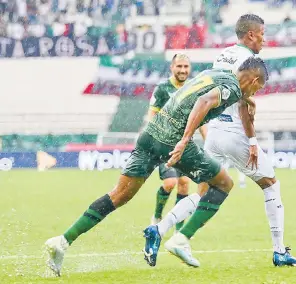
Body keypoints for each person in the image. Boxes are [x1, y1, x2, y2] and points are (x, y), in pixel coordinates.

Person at [44, 56, 268, 277]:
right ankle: (181, 239)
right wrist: (184, 139)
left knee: (119, 195)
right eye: (258, 88)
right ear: (254, 79)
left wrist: (247, 102)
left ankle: (62, 241)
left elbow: (204, 94)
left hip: (150, 134)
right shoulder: (233, 88)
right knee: (223, 184)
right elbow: (205, 102)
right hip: (173, 140)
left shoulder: (217, 74)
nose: (255, 93)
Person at [144, 14, 296, 268]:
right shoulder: (251, 62)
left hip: (214, 129)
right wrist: (251, 140)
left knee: (204, 190)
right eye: (262, 32)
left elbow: (214, 91)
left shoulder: (224, 55)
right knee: (271, 185)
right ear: (250, 34)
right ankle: (279, 251)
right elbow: (243, 102)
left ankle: (159, 230)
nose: (264, 37)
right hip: (234, 133)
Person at [148, 53, 206, 232]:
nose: (182, 70)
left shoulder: (194, 88)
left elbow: (199, 119)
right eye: (179, 66)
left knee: (184, 184)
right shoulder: (162, 89)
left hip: (185, 145)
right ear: (171, 68)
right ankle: (157, 215)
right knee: (170, 183)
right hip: (165, 144)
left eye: (185, 67)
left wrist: (209, 142)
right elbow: (152, 115)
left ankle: (178, 228)